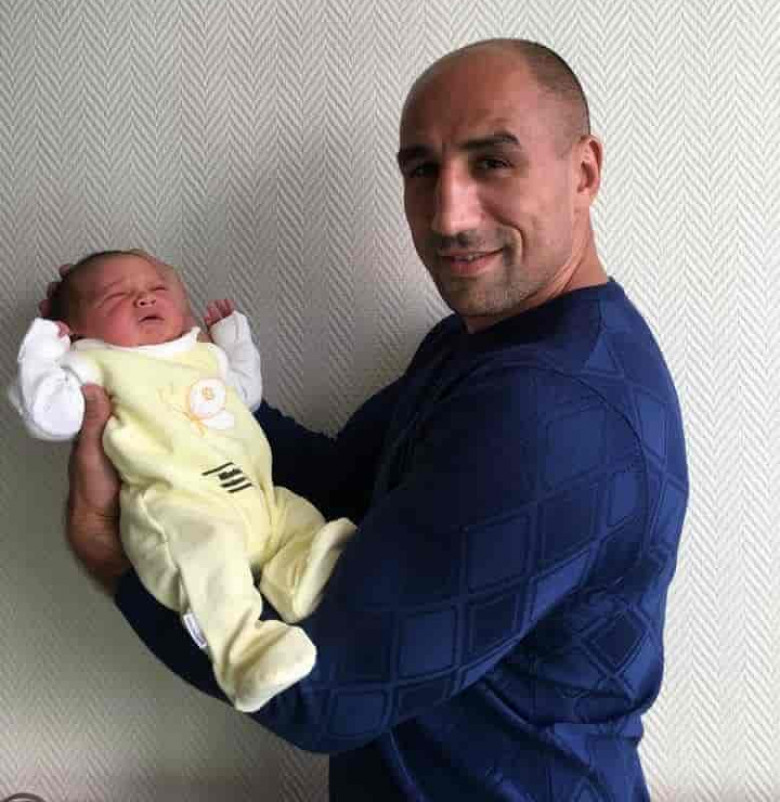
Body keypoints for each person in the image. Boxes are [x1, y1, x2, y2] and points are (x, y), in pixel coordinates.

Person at [61, 40, 688, 800]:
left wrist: (108, 553)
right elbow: (342, 483)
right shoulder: (481, 341)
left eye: (492, 162)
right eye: (422, 170)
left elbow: (321, 695)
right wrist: (182, 386)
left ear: (583, 171)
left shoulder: (554, 409)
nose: (448, 215)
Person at [11, 250, 354, 712]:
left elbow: (246, 395)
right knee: (207, 560)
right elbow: (48, 415)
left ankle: (302, 582)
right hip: (180, 508)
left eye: (157, 289)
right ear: (76, 330)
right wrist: (43, 348)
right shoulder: (95, 362)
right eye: (116, 296)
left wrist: (234, 342)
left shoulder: (201, 353)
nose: (143, 299)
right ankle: (244, 654)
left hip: (253, 495)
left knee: (296, 517)